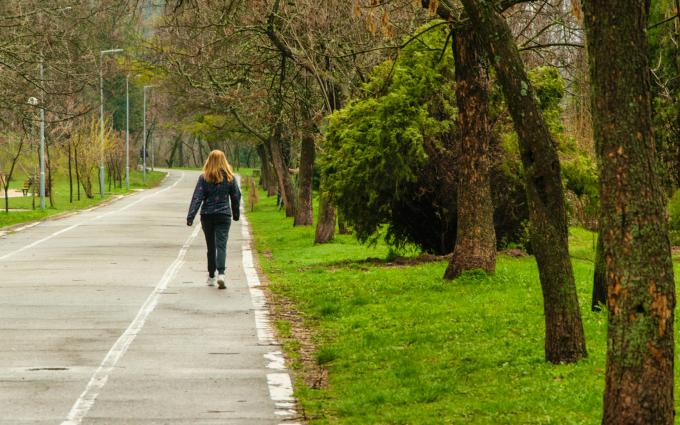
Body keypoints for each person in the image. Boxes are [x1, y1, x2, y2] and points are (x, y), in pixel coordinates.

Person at [187, 150, 241, 289]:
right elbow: (236, 197)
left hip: (207, 215)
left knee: (211, 247)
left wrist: (191, 216)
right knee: (221, 245)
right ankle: (221, 274)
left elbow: (197, 197)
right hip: (224, 215)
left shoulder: (204, 178)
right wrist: (235, 214)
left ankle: (211, 276)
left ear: (209, 160)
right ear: (224, 161)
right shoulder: (230, 178)